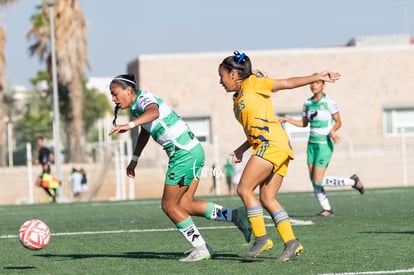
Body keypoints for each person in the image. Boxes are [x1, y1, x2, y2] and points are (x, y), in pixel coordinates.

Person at [108, 73, 251, 262]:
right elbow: (146, 130)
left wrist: (129, 124)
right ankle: (236, 215)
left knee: (169, 205)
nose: (113, 98)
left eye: (115, 93)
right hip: (193, 151)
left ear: (128, 90)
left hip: (183, 154)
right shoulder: (138, 106)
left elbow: (154, 113)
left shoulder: (144, 99)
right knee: (185, 204)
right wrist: (134, 159)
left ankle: (201, 248)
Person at [218, 51, 341, 261]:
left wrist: (317, 76)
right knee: (267, 197)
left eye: (221, 76)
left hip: (272, 145)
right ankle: (292, 243)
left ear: (233, 74)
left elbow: (288, 82)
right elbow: (258, 127)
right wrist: (241, 149)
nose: (220, 81)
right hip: (274, 145)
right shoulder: (237, 98)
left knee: (244, 188)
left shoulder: (254, 83)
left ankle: (261, 239)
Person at [279, 77, 364, 217]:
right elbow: (304, 123)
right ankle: (327, 209)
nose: (313, 85)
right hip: (311, 144)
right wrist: (287, 119)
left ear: (323, 85)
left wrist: (332, 131)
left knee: (318, 179)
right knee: (313, 180)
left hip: (324, 143)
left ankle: (352, 181)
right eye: (312, 82)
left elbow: (338, 122)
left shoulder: (329, 102)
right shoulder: (307, 103)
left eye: (317, 82)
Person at [34, 136, 59, 202]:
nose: (38, 143)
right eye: (37, 141)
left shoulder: (44, 149)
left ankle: (54, 191)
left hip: (46, 169)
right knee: (40, 183)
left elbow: (51, 156)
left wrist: (47, 163)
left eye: (39, 141)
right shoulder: (40, 150)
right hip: (44, 169)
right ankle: (53, 193)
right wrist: (33, 161)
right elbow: (40, 160)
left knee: (39, 183)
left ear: (42, 141)